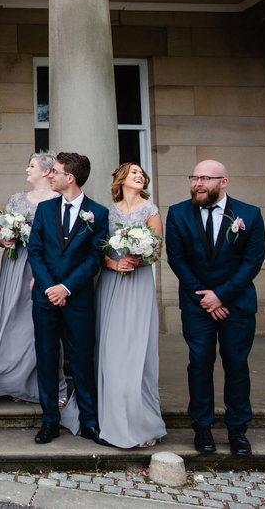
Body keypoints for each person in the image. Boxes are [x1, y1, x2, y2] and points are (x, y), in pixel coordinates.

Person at [166, 159, 265, 456]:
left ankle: (237, 430)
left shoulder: (250, 214)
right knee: (199, 365)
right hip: (198, 306)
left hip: (237, 305)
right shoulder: (178, 213)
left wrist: (221, 296)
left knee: (236, 365)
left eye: (205, 178)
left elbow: (252, 261)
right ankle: (203, 428)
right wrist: (205, 298)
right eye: (194, 177)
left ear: (224, 182)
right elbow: (177, 259)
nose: (197, 183)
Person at [80, 162, 166, 448]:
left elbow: (156, 250)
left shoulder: (151, 211)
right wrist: (113, 263)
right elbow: (97, 249)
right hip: (111, 284)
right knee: (111, 350)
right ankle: (109, 417)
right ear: (122, 179)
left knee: (137, 351)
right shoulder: (107, 212)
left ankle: (142, 420)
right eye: (134, 173)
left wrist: (138, 259)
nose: (139, 176)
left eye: (142, 173)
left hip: (138, 284)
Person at [27, 151, 108, 445]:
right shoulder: (45, 210)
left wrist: (67, 288)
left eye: (56, 171)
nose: (51, 175)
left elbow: (94, 258)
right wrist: (50, 288)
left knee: (82, 360)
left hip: (78, 300)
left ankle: (89, 421)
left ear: (69, 178)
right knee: (47, 359)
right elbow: (35, 251)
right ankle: (50, 420)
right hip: (45, 298)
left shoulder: (98, 213)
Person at [0, 151, 67, 405]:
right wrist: (4, 238)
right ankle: (10, 380)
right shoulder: (16, 199)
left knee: (35, 324)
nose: (27, 170)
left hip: (42, 267)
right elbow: (1, 233)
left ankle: (33, 382)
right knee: (9, 319)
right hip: (15, 264)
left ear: (47, 171)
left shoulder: (59, 200)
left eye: (32, 166)